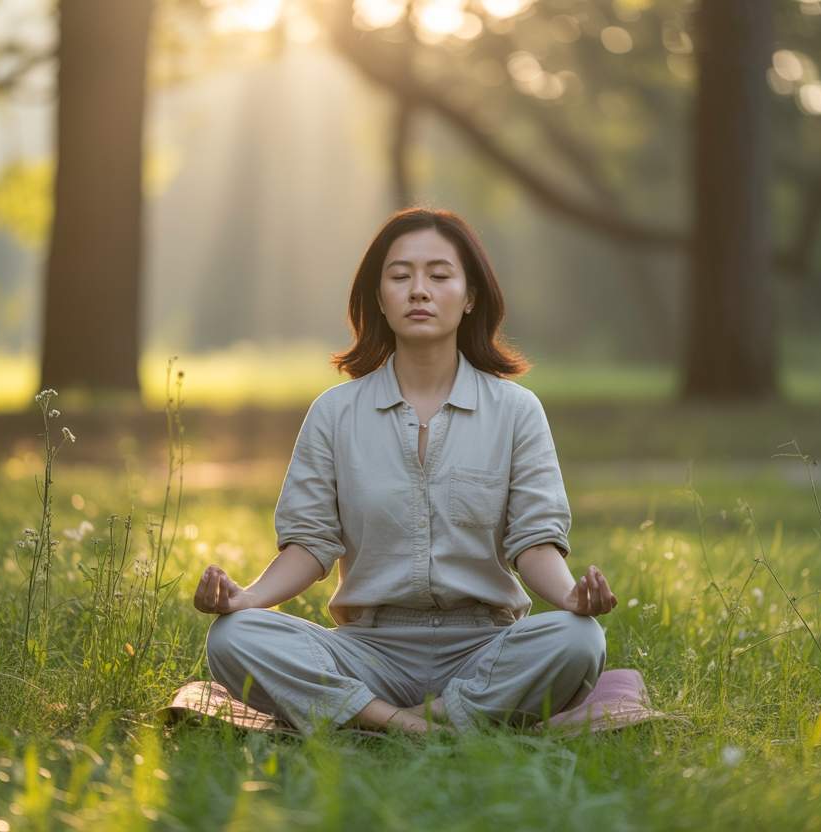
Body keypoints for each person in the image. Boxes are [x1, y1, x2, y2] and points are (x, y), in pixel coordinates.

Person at [194, 208, 618, 734]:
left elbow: (533, 541)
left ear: (469, 297)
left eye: (439, 276)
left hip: (484, 647)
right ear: (379, 298)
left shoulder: (516, 410)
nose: (419, 290)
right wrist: (246, 599)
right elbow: (309, 543)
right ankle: (413, 724)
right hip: (368, 652)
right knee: (233, 638)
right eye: (400, 276)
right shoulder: (334, 412)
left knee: (580, 640)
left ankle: (400, 722)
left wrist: (570, 597)